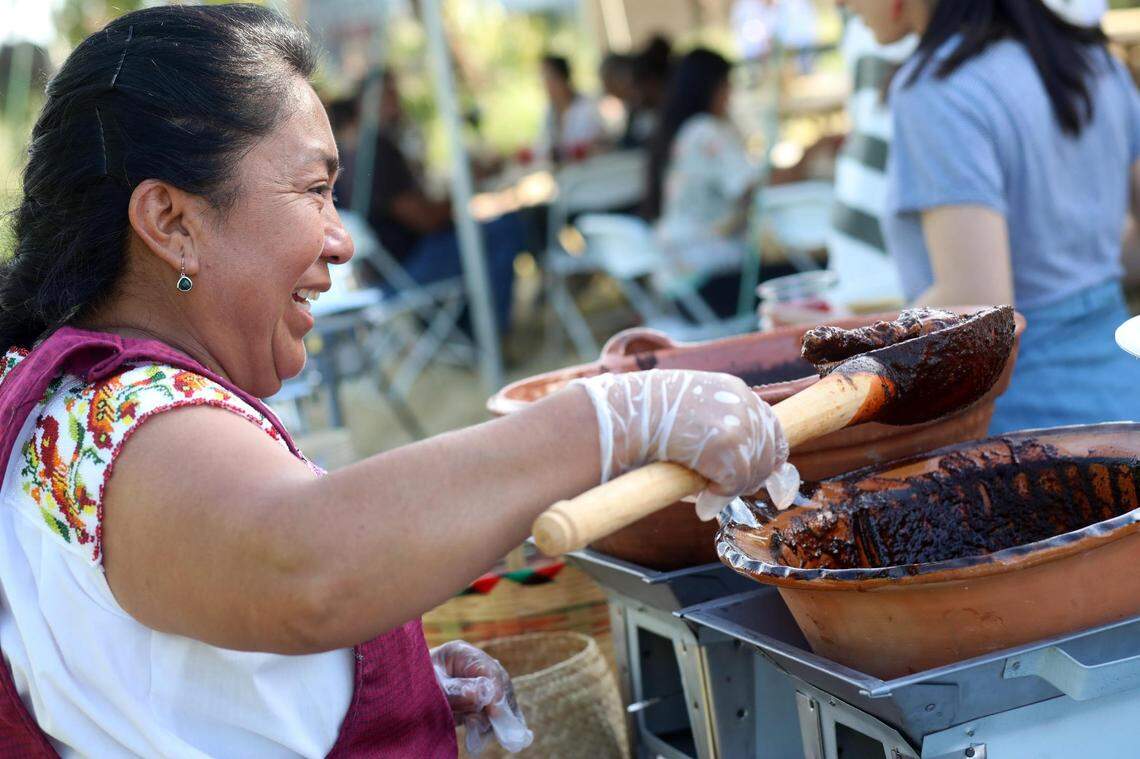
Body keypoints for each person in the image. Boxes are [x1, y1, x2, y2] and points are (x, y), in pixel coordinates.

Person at [0, 5, 795, 755]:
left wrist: (360, 684)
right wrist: (614, 417)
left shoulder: (72, 403)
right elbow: (301, 566)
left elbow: (163, 672)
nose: (341, 240)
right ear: (171, 221)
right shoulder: (114, 414)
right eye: (315, 190)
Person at [840, 0, 1140, 431]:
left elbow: (978, 301)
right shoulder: (1092, 62)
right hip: (1125, 389)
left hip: (1029, 426)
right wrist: (1084, 279)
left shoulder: (940, 87)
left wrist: (845, 340)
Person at [343, 71, 523, 333]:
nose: (397, 102)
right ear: (365, 104)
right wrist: (463, 187)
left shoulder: (355, 148)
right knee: (507, 228)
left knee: (484, 231)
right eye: (388, 96)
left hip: (382, 271)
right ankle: (485, 334)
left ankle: (461, 331)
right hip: (406, 271)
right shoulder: (376, 151)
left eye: (395, 93)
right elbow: (425, 219)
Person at [645, 48, 760, 316]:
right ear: (713, 87)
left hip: (677, 288)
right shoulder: (705, 131)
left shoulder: (679, 131)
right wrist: (807, 160)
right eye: (728, 85)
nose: (731, 94)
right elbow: (752, 184)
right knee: (815, 272)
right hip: (707, 283)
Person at [827, 15, 915, 311]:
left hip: (891, 291)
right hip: (861, 284)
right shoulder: (862, 31)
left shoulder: (933, 90)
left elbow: (969, 296)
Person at [537, 55, 606, 163]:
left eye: (548, 77)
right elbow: (543, 147)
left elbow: (598, 146)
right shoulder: (550, 112)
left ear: (563, 77)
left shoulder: (587, 108)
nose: (544, 84)